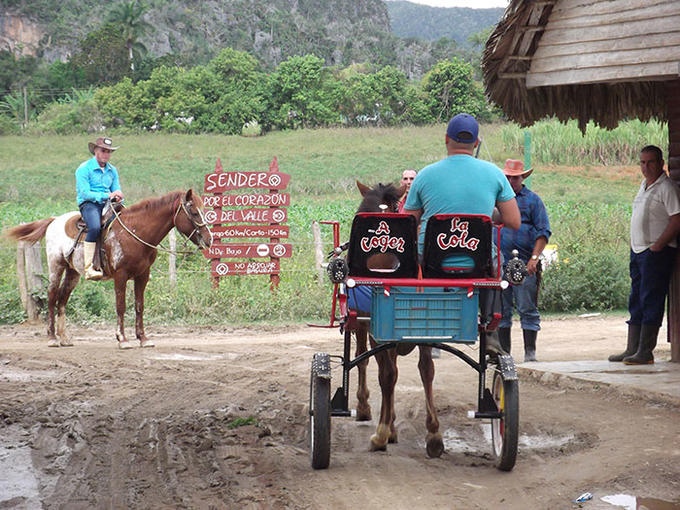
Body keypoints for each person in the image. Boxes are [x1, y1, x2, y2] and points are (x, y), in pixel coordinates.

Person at [404, 113, 521, 354]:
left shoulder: (424, 175)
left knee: (409, 256)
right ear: (476, 143)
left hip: (430, 262)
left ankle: (409, 317)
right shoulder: (494, 174)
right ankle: (489, 329)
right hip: (478, 262)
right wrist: (489, 215)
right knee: (497, 260)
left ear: (446, 139)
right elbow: (513, 221)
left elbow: (406, 223)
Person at [609, 145, 680, 365]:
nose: (646, 167)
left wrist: (659, 245)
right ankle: (633, 348)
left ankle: (645, 351)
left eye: (650, 162)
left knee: (651, 298)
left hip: (656, 252)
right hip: (639, 251)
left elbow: (676, 219)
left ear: (661, 164)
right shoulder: (644, 185)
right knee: (636, 298)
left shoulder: (666, 187)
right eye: (642, 162)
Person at [497, 159, 551, 362]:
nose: (511, 181)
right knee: (501, 311)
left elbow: (543, 231)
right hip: (498, 264)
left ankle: (530, 353)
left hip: (525, 262)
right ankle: (504, 354)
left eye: (515, 177)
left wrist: (534, 259)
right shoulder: (496, 200)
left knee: (527, 308)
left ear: (522, 178)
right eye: (508, 177)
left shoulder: (533, 200)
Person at [76, 137, 124, 280]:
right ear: (95, 151)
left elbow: (116, 188)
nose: (106, 154)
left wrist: (118, 196)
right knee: (95, 227)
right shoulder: (84, 169)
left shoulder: (112, 170)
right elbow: (85, 193)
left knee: (127, 222)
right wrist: (107, 195)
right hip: (90, 204)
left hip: (109, 203)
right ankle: (88, 268)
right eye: (103, 151)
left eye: (109, 152)